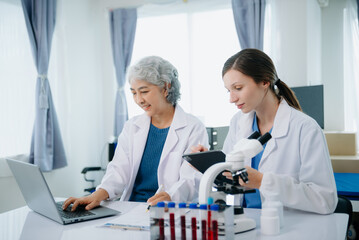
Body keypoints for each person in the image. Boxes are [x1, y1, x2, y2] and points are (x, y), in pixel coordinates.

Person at [192, 49, 337, 214]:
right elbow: (230, 175)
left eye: (238, 88)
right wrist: (211, 164)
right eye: (229, 90)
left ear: (265, 81)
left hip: (287, 224)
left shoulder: (305, 129)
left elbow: (325, 199)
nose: (232, 99)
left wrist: (263, 181)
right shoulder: (238, 122)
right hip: (246, 219)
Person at [63, 56, 209, 211]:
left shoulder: (193, 127)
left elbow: (192, 179)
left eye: (144, 91)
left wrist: (171, 196)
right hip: (131, 208)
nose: (139, 100)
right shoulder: (132, 126)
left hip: (168, 209)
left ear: (165, 88)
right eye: (133, 93)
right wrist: (99, 193)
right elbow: (119, 169)